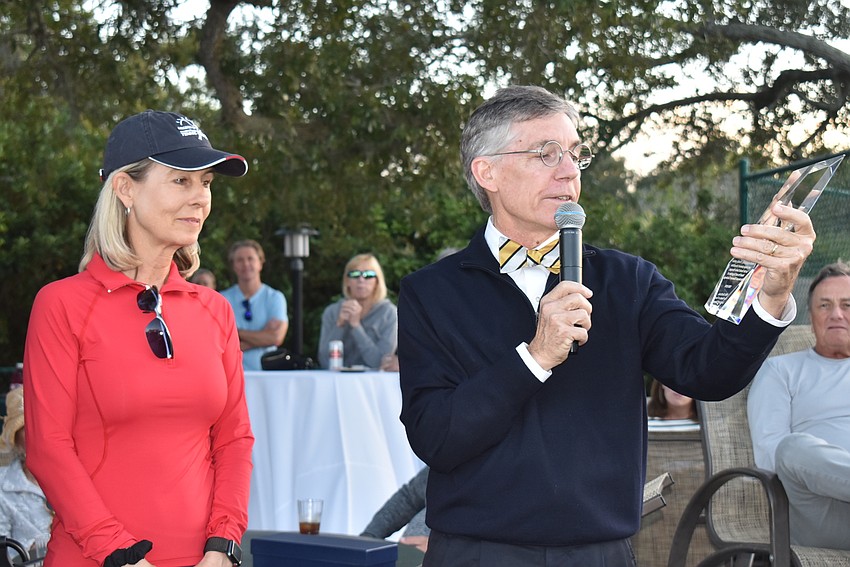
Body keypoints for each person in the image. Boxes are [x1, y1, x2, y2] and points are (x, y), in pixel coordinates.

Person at [397, 85, 815, 566]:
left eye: (575, 154)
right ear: (486, 171)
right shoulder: (431, 293)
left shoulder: (628, 280)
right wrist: (535, 357)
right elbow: (436, 437)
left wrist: (772, 295)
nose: (568, 170)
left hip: (601, 553)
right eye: (546, 153)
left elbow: (709, 372)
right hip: (476, 553)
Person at [22, 110, 254, 567]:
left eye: (206, 183)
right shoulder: (61, 305)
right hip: (98, 558)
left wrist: (224, 545)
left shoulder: (215, 310)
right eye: (181, 181)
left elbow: (234, 440)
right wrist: (118, 552)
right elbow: (48, 449)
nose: (200, 198)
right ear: (125, 189)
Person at [748, 261, 850, 550]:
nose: (837, 314)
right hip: (823, 513)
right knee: (791, 449)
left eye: (847, 305)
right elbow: (771, 456)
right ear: (811, 315)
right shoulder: (781, 371)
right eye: (825, 305)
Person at [317, 254, 398, 369]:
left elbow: (381, 363)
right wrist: (339, 326)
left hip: (373, 380)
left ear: (377, 282)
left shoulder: (389, 314)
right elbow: (325, 362)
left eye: (368, 275)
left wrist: (356, 327)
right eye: (354, 274)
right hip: (337, 379)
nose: (361, 280)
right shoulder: (332, 312)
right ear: (347, 281)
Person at [0, 387, 53, 559]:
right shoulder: (3, 486)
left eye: (43, 425)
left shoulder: (76, 475)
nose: (38, 433)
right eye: (28, 426)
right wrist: (33, 549)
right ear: (16, 438)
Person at [220, 240, 288, 371]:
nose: (246, 264)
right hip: (231, 373)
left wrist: (236, 333)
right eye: (240, 260)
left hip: (267, 373)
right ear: (233, 266)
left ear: (260, 263)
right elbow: (219, 342)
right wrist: (263, 336)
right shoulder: (222, 299)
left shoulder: (274, 298)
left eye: (250, 258)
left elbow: (276, 337)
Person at [360, 467, 430, 553]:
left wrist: (439, 547)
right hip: (407, 555)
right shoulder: (441, 464)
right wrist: (370, 535)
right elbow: (410, 498)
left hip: (435, 555)